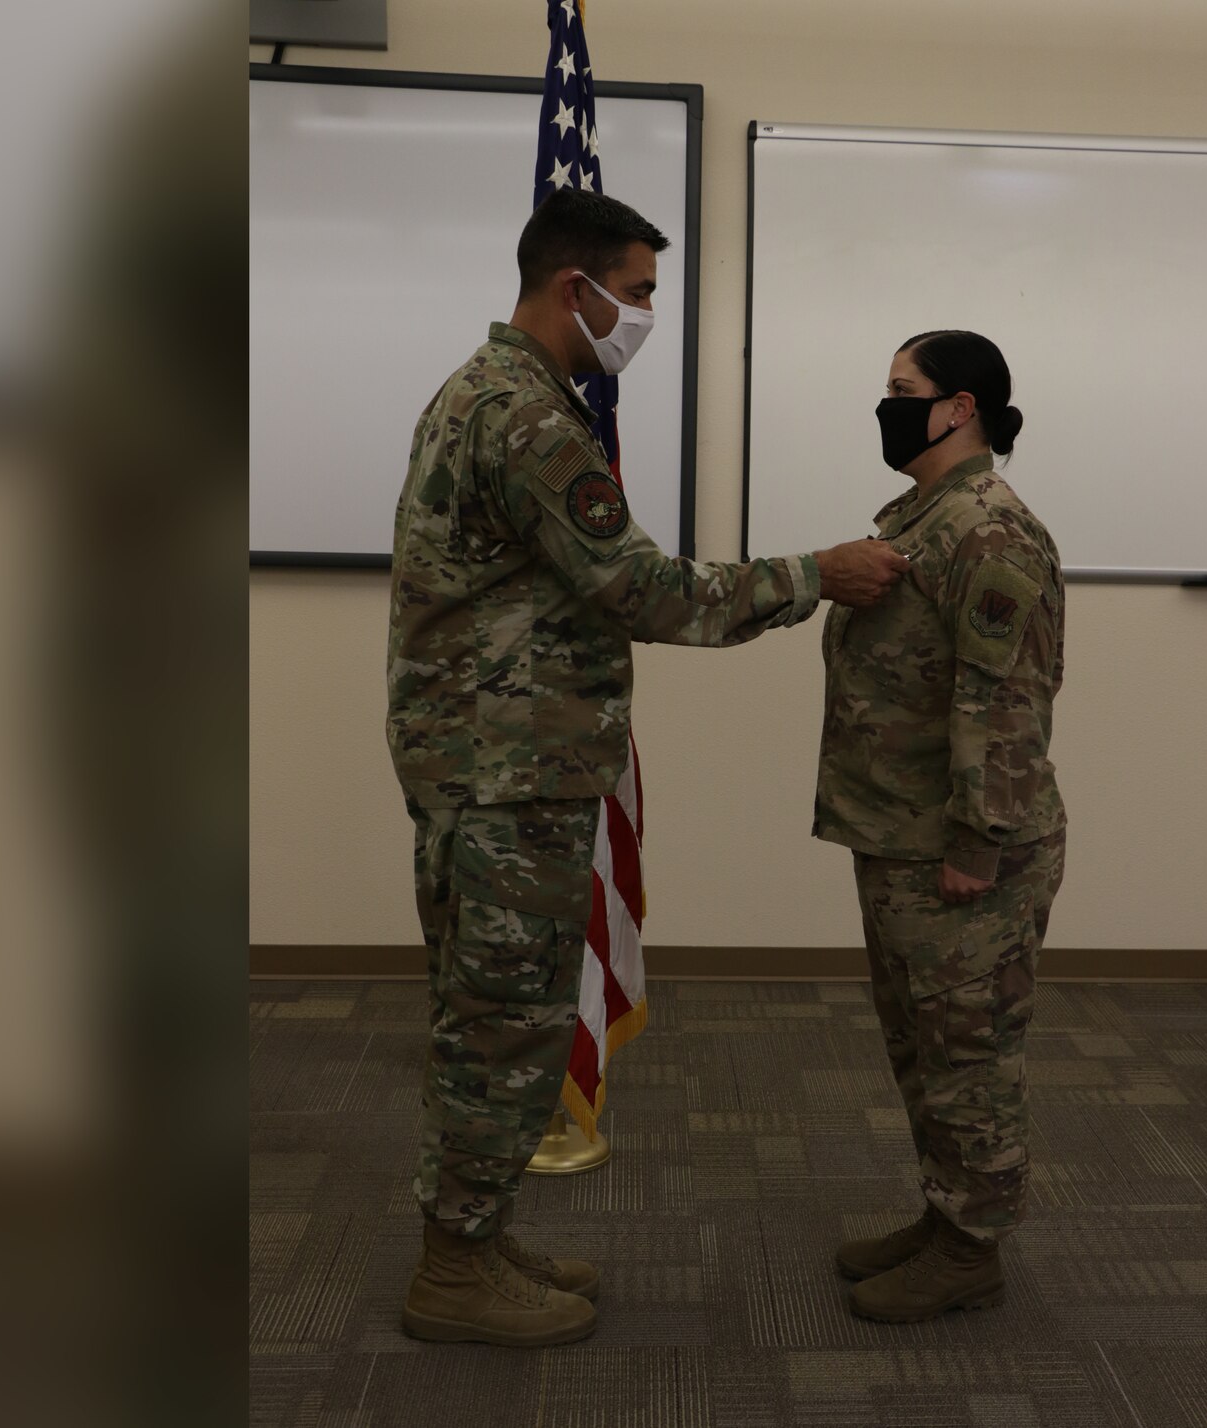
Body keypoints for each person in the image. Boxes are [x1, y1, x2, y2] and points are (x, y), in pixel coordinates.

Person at [387, 189, 909, 1349]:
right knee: (504, 1024)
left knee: (493, 1015)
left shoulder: (489, 394)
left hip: (491, 763)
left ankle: (474, 1235)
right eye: (639, 292)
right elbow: (643, 590)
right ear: (575, 287)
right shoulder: (524, 418)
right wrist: (810, 572)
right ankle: (452, 1270)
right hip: (505, 773)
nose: (643, 315)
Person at [812, 330, 1066, 1322]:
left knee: (967, 1053)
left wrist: (976, 844)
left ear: (957, 407)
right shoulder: (922, 517)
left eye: (899, 391)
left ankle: (971, 1250)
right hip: (902, 835)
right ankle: (944, 1213)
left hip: (963, 850)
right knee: (920, 1044)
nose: (885, 406)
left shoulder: (988, 532)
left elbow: (1003, 704)